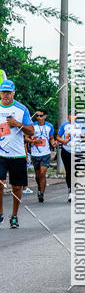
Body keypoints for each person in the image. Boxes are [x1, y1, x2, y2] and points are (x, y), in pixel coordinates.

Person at [0, 78, 34, 227]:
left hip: (18, 154)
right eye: (3, 92)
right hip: (1, 154)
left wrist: (17, 124)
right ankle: (0, 213)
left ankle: (14, 215)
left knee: (16, 187)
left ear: (14, 92)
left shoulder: (22, 109)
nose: (6, 95)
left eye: (8, 92)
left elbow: (31, 131)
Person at [56, 112, 84, 202]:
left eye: (74, 115)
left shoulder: (79, 126)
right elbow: (58, 137)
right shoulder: (64, 126)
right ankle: (70, 192)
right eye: (71, 115)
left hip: (77, 151)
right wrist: (63, 141)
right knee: (69, 172)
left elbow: (83, 136)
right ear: (68, 116)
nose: (72, 117)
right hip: (66, 151)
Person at [29, 108, 56, 202]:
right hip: (35, 153)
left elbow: (51, 138)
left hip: (45, 153)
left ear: (45, 116)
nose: (38, 118)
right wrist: (33, 141)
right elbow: (26, 138)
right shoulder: (32, 126)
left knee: (42, 173)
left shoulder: (49, 126)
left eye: (41, 116)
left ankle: (42, 194)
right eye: (37, 116)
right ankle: (39, 188)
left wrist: (53, 143)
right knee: (37, 176)